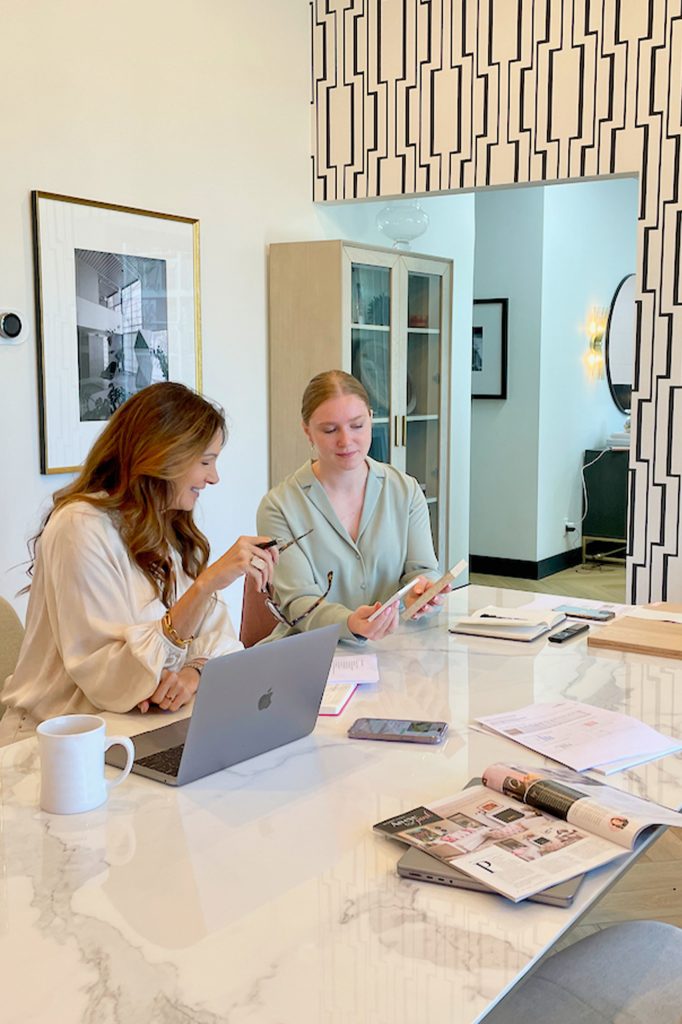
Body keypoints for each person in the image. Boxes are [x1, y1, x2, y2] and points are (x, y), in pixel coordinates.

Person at [1, 382, 277, 743]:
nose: (213, 477)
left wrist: (191, 674)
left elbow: (216, 638)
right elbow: (108, 678)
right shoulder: (80, 527)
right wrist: (206, 584)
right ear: (164, 455)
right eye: (205, 462)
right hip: (58, 742)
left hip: (136, 729)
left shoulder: (165, 525)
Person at [256, 370, 446, 643]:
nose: (346, 441)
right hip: (312, 653)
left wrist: (424, 591)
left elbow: (422, 570)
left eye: (357, 426)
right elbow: (299, 603)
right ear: (307, 430)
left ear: (370, 417)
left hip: (394, 648)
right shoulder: (279, 507)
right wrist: (350, 623)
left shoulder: (405, 490)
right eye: (330, 430)